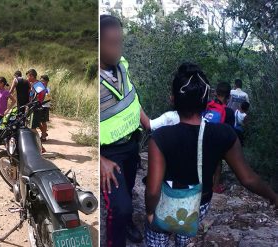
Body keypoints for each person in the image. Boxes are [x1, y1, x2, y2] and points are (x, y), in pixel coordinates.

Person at [145, 62, 278, 247]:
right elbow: (247, 178)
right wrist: (273, 196)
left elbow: (152, 191)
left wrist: (150, 212)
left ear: (173, 99)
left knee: (157, 242)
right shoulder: (224, 134)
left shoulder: (160, 137)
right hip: (197, 204)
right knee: (184, 241)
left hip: (162, 204)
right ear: (206, 101)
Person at [100, 15, 151, 247]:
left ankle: (128, 221)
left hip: (131, 144)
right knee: (118, 208)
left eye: (120, 42)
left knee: (128, 191)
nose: (118, 49)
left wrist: (148, 123)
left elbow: (131, 99)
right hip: (108, 154)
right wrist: (99, 160)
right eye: (112, 44)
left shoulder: (122, 65)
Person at [203, 82, 235, 194]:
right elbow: (230, 133)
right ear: (229, 96)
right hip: (216, 145)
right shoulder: (229, 112)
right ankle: (215, 187)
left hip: (201, 140)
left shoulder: (207, 105)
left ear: (216, 93)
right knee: (218, 162)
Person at [0, 77, 15, 151]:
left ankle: (4, 144)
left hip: (2, 114)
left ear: (2, 83)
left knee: (2, 129)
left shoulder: (6, 92)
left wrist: (8, 109)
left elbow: (14, 101)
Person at [40, 75, 51, 141]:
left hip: (45, 107)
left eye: (43, 81)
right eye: (41, 81)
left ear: (47, 81)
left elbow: (48, 98)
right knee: (37, 121)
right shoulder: (41, 88)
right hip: (40, 106)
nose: (41, 82)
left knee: (43, 122)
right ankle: (44, 132)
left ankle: (43, 136)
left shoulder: (47, 89)